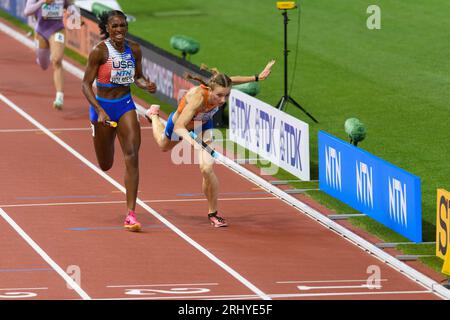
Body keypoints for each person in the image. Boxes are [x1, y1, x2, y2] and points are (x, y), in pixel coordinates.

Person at [145, 60, 275, 227]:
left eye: (226, 95)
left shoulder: (220, 86)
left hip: (204, 124)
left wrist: (257, 77)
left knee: (206, 168)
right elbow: (179, 127)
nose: (222, 100)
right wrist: (194, 143)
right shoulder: (198, 98)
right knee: (163, 145)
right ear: (210, 90)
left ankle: (213, 213)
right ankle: (154, 115)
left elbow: (232, 80)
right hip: (182, 123)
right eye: (219, 95)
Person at [81, 10, 156, 232]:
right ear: (107, 28)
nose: (120, 30)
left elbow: (138, 76)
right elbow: (85, 84)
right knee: (106, 165)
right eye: (115, 26)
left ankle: (131, 214)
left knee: (132, 155)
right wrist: (99, 110)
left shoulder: (134, 49)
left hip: (125, 105)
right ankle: (100, 132)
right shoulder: (99, 52)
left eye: (123, 25)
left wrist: (145, 85)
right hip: (103, 109)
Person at [24, 0, 77, 109]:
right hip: (41, 32)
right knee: (44, 65)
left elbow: (71, 5)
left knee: (57, 60)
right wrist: (43, 2)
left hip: (58, 30)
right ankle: (41, 58)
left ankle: (59, 97)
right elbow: (27, 11)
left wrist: (74, 14)